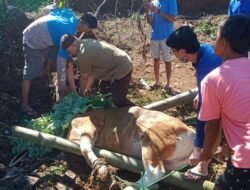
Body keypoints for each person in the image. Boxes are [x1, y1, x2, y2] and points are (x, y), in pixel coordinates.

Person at [198, 15, 250, 189]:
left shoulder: (213, 80)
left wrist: (205, 154)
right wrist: (227, 147)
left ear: (224, 43)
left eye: (217, 35)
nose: (214, 40)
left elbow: (212, 125)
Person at [166, 26, 222, 181]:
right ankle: (205, 162)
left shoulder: (206, 67)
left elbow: (203, 116)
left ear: (182, 51)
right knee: (215, 122)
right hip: (225, 89)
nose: (174, 54)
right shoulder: (203, 49)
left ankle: (203, 167)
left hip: (234, 98)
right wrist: (200, 92)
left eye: (174, 51)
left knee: (214, 124)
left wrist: (197, 148)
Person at [21, 9, 93, 116]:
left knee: (68, 60)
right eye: (89, 28)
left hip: (47, 39)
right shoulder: (68, 32)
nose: (89, 31)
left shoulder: (72, 16)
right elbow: (61, 64)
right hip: (33, 41)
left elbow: (50, 10)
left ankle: (73, 91)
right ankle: (24, 105)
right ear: (84, 24)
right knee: (30, 74)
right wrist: (62, 87)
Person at [61, 34, 134, 107]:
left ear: (73, 45)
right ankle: (110, 108)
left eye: (69, 52)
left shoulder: (83, 55)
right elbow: (91, 73)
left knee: (118, 101)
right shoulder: (85, 42)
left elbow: (84, 77)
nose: (71, 54)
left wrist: (81, 95)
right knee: (103, 88)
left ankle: (136, 112)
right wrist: (88, 88)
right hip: (118, 61)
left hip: (122, 67)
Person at [144, 0, 177, 93]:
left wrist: (158, 11)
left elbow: (172, 19)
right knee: (156, 60)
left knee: (167, 61)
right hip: (154, 36)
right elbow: (150, 22)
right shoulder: (154, 2)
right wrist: (147, 10)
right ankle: (157, 81)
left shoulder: (171, 1)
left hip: (166, 36)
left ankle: (168, 83)